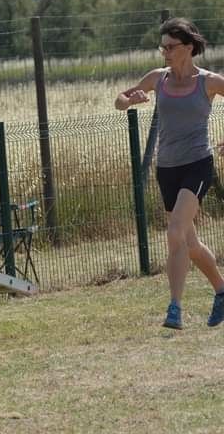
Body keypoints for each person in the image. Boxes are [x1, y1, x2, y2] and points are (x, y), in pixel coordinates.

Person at [115, 17, 224, 329]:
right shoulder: (158, 78)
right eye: (162, 46)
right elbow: (119, 100)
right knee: (188, 243)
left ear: (188, 48)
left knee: (175, 231)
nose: (164, 51)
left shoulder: (208, 81)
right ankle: (221, 289)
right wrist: (130, 100)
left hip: (198, 165)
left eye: (171, 46)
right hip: (167, 168)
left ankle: (174, 308)